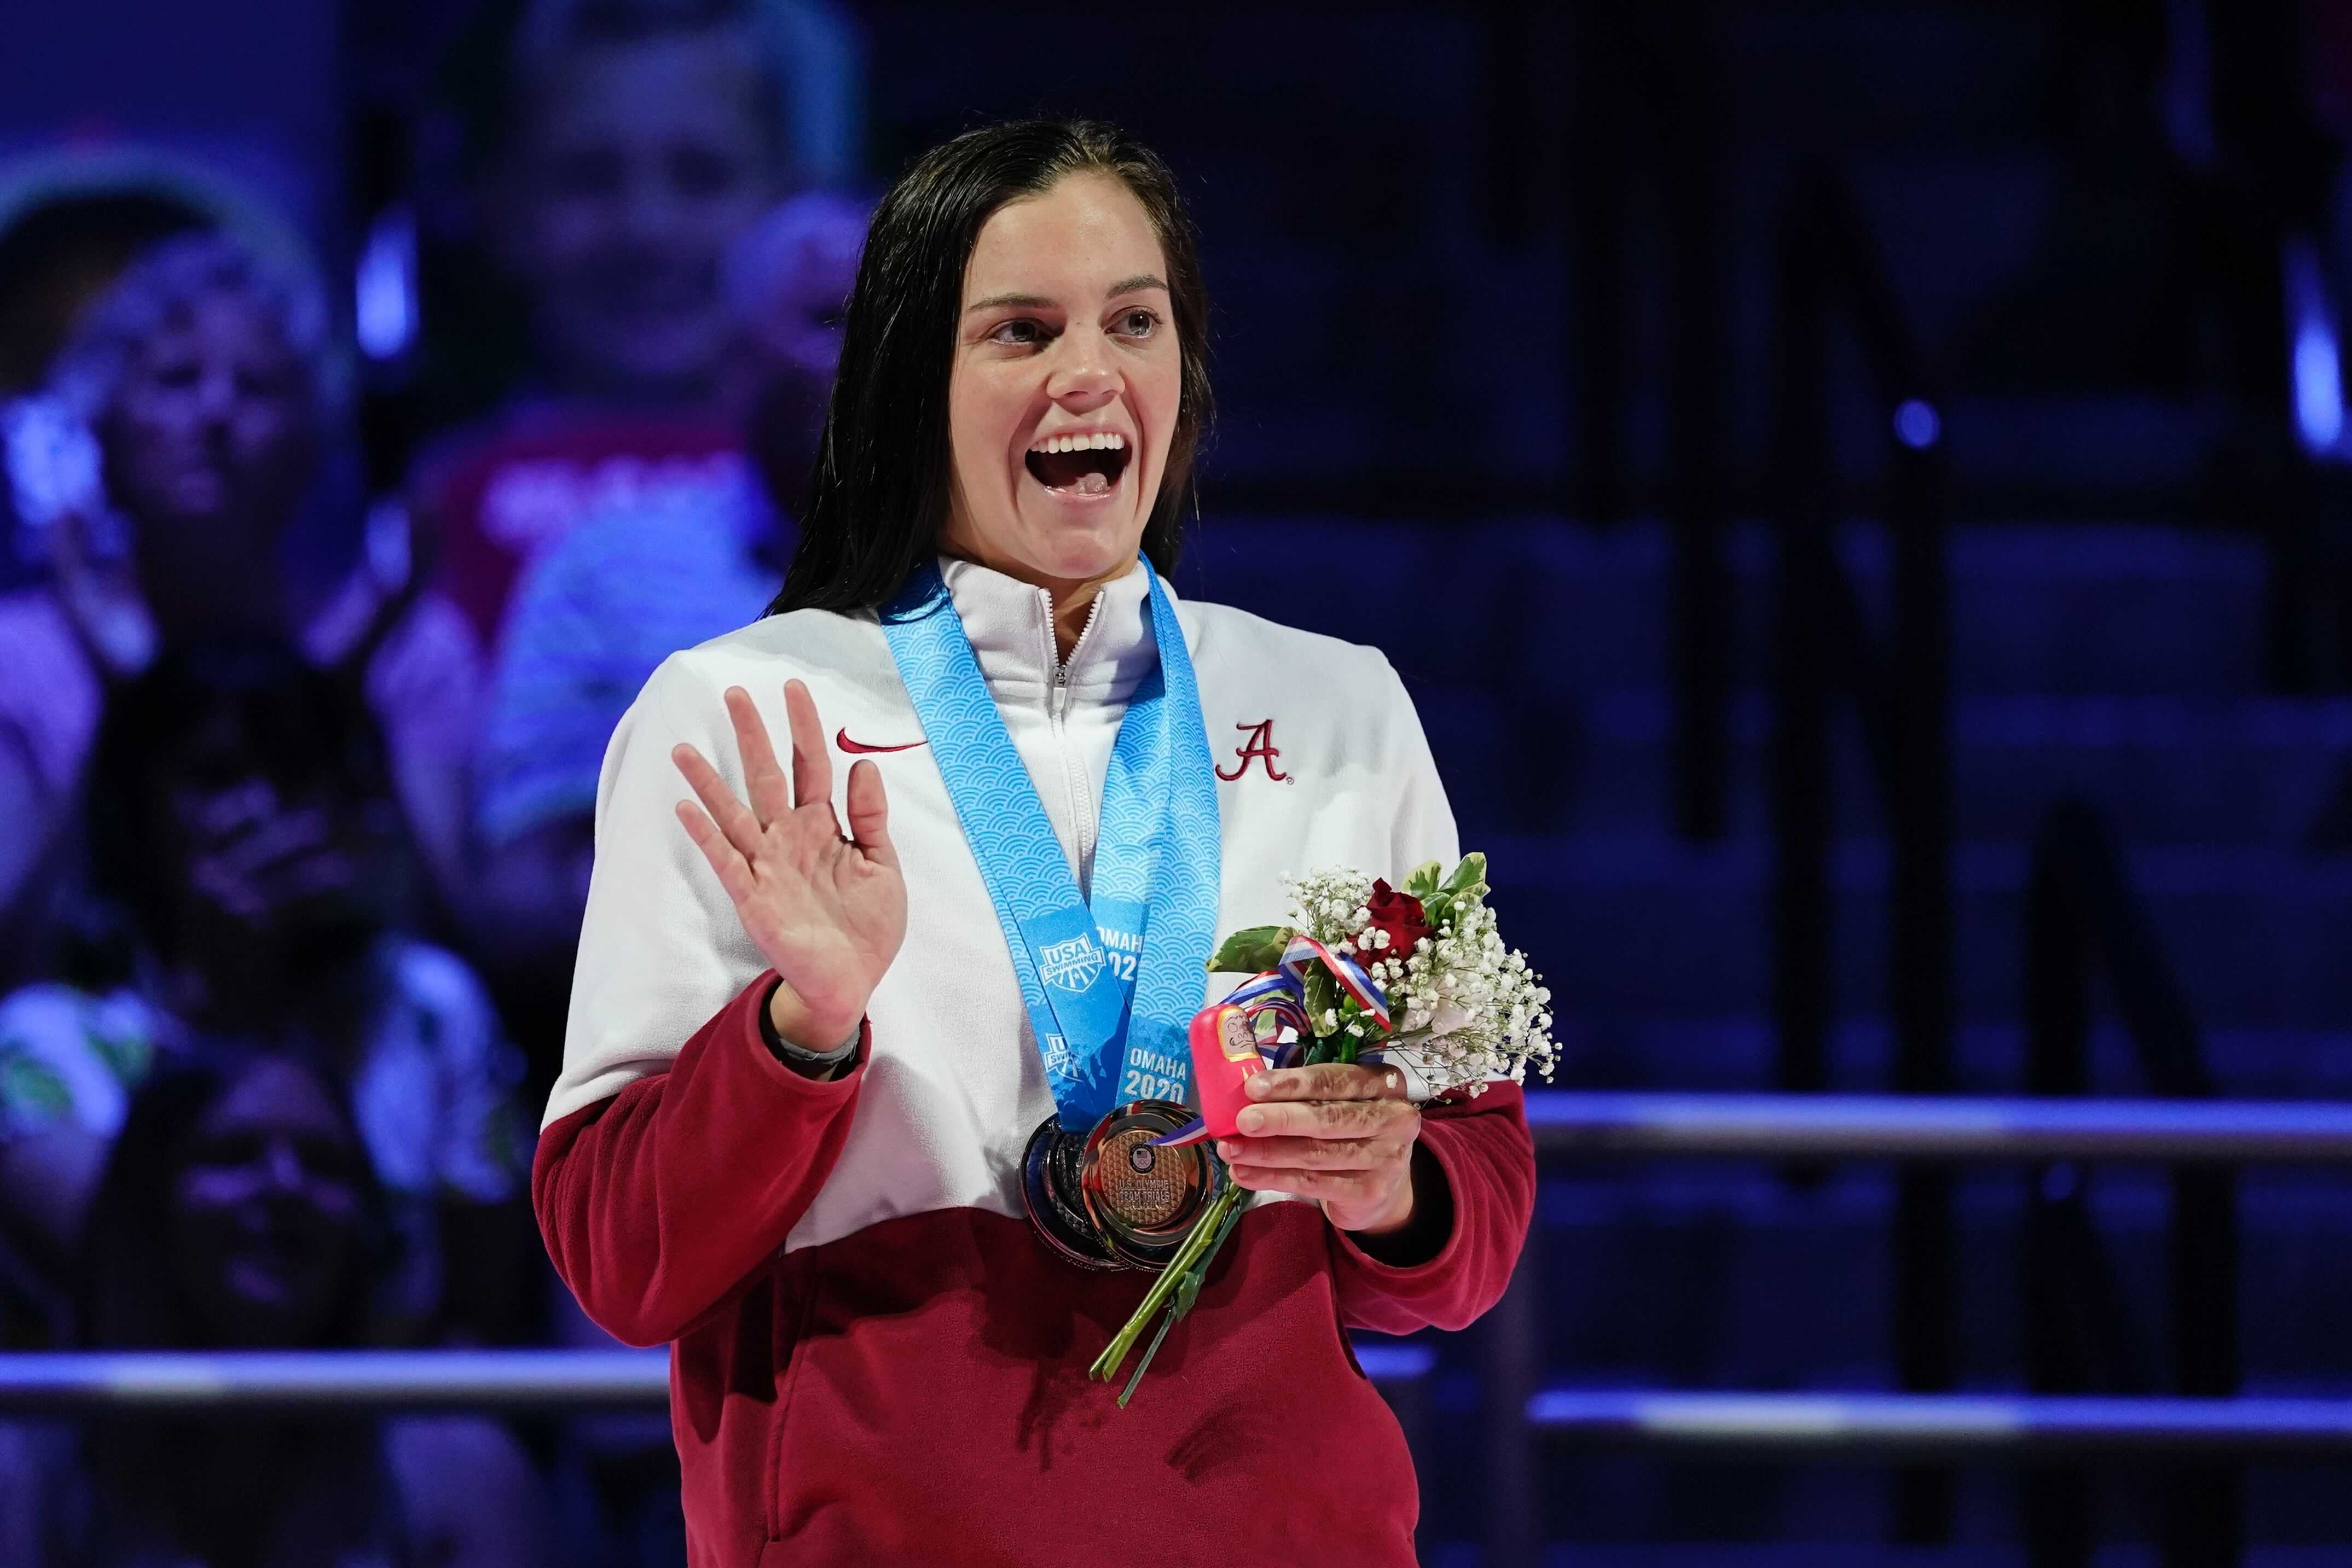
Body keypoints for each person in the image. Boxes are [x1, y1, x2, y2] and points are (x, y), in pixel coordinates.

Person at [534, 120, 1536, 1563]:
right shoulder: (746, 716)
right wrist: (802, 1026)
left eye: (1137, 319)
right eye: (1021, 330)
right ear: (905, 386)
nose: (1091, 372)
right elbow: (619, 1259)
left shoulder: (1335, 709)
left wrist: (1387, 1182)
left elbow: (1474, 1212)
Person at [0, 638, 528, 1338]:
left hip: (375, 1421)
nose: (257, 807)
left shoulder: (430, 1010)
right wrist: (219, 998)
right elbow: (142, 1282)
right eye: (215, 777)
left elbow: (485, 1299)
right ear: (138, 809)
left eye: (292, 773)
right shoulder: (44, 1044)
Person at [0, 231, 482, 952]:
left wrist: (345, 691)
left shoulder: (411, 648)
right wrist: (133, 693)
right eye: (175, 380)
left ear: (312, 437)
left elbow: (452, 931)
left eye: (257, 386)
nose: (217, 412)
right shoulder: (23, 654)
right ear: (103, 424)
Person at [471, 190, 867, 981]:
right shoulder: (607, 567)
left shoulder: (1000, 568)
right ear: (737, 365)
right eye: (830, 322)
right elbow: (519, 888)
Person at [0, 1046, 547, 1565]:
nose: (286, 1185)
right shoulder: (28, 1474)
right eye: (234, 1155)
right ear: (147, 1202)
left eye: (324, 1163)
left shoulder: (455, 1469)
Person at [409, 0, 816, 658]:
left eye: (701, 175)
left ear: (789, 201)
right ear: (500, 206)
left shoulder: (871, 493)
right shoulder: (438, 505)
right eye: (588, 177)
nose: (647, 228)